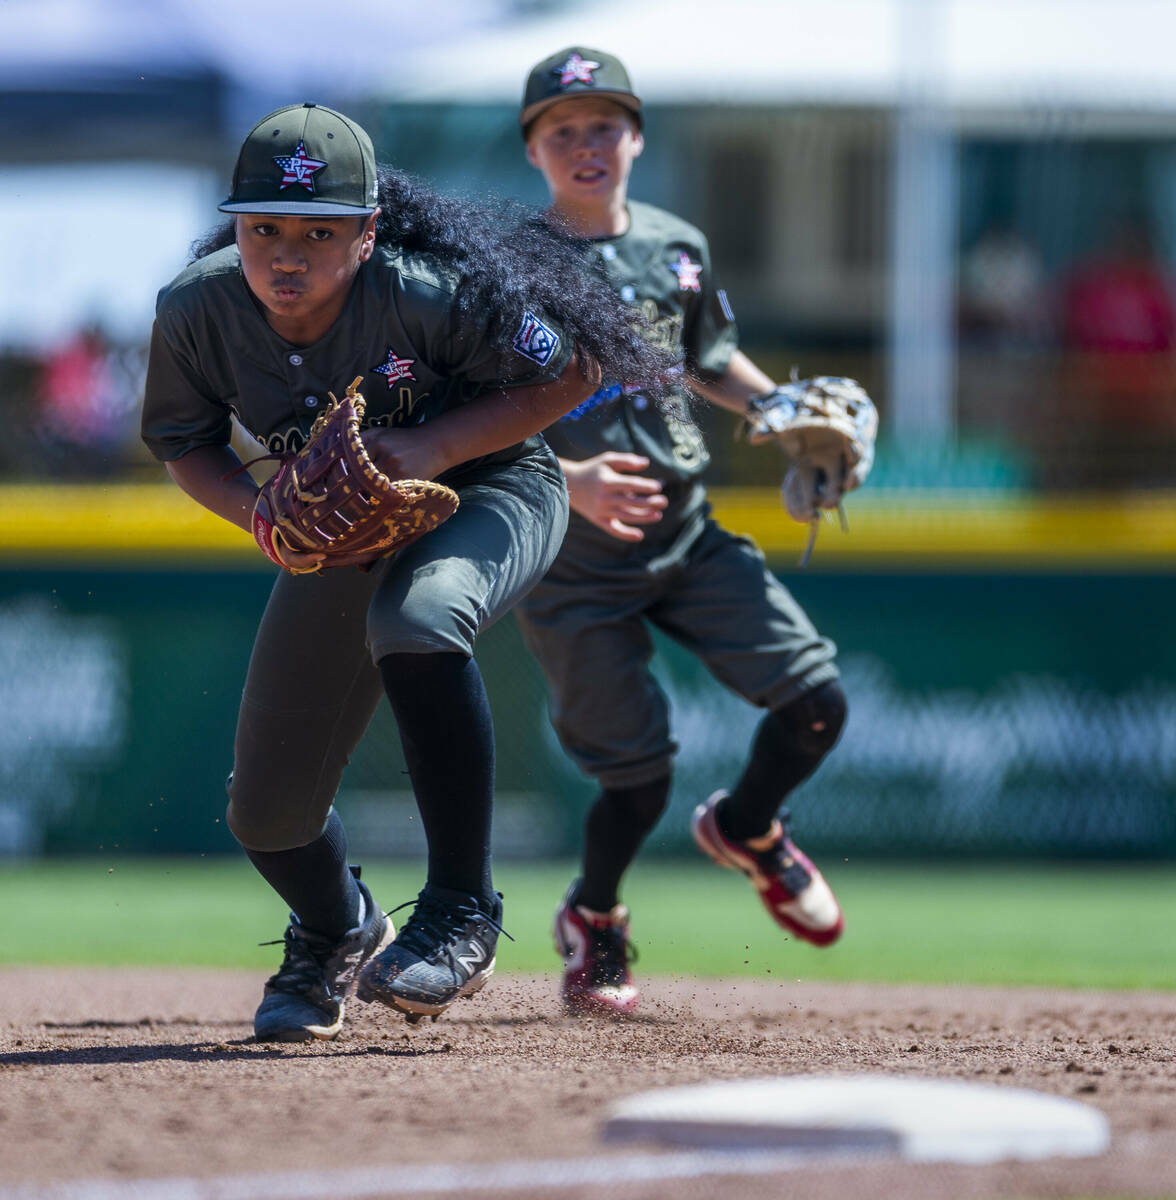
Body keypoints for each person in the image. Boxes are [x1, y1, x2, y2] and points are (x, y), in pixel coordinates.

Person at [141, 102, 670, 1040]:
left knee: (420, 621)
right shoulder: (197, 309)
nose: (287, 253)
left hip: (495, 488)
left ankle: (464, 908)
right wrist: (262, 517)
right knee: (265, 814)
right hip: (342, 527)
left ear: (369, 231)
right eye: (263, 228)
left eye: (319, 230)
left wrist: (431, 441)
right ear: (236, 227)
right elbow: (184, 442)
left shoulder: (424, 292)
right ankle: (336, 928)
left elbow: (579, 365)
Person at [514, 49, 849, 1016]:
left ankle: (749, 829)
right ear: (534, 150)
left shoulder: (674, 245)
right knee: (640, 778)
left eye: (604, 124)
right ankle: (597, 919)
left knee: (817, 701)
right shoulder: (512, 265)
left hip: (686, 531)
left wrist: (783, 410)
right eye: (563, 129)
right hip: (573, 562)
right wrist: (565, 479)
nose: (587, 144)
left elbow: (712, 359)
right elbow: (477, 410)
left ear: (637, 138)